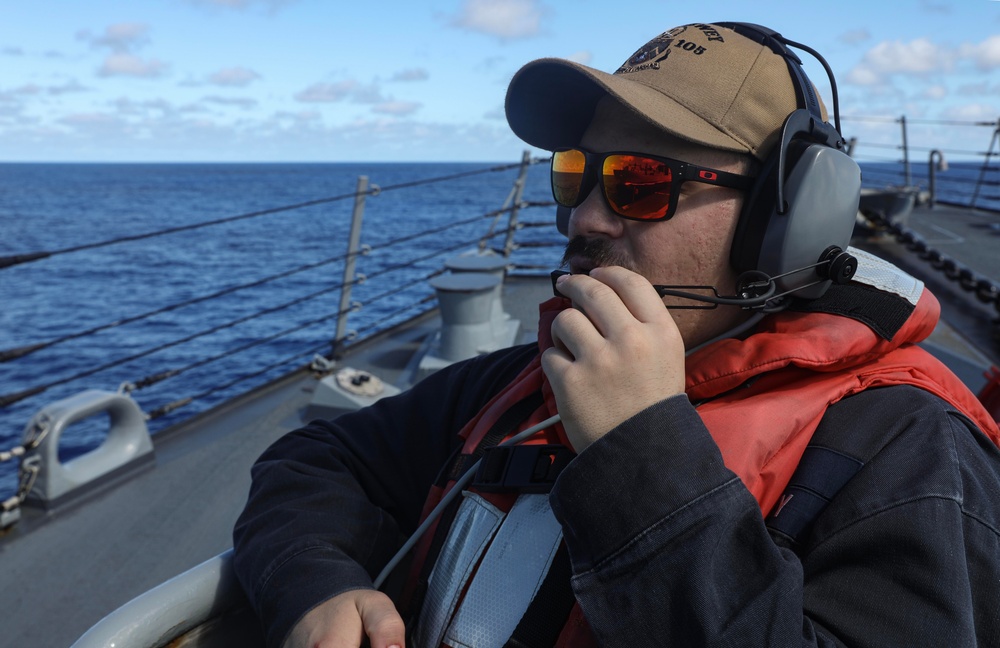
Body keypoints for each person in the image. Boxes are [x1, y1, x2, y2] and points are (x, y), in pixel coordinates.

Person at [233, 21, 1000, 648]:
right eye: (577, 175)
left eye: (642, 182)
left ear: (787, 220)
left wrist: (640, 454)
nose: (585, 217)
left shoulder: (907, 451)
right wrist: (315, 582)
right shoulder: (523, 383)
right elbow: (318, 460)